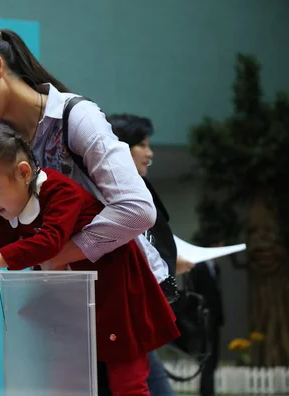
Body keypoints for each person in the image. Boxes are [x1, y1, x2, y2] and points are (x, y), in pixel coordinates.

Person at [0, 125, 180, 395]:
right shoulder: (11, 211)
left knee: (128, 383)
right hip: (72, 303)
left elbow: (49, 242)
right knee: (65, 381)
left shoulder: (61, 192)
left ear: (24, 172)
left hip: (116, 296)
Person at [0, 22, 175, 292]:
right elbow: (15, 231)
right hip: (71, 294)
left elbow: (137, 211)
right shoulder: (2, 145)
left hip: (127, 291)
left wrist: (54, 255)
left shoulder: (78, 118)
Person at [109, 113, 187, 395]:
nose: (150, 153)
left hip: (135, 320)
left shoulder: (137, 190)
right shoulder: (112, 196)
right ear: (118, 147)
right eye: (141, 144)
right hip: (121, 321)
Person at [189, 239, 225, 396]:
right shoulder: (199, 267)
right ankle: (206, 392)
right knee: (206, 358)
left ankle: (209, 390)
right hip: (204, 321)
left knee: (213, 358)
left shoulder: (215, 268)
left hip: (214, 320)